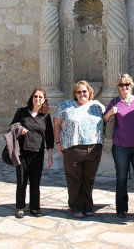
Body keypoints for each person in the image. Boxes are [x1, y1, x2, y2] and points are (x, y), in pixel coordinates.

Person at [53, 80, 105, 219]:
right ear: (75, 94)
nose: (82, 94)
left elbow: (107, 119)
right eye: (79, 92)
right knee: (74, 179)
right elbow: (57, 123)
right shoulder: (66, 106)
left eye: (84, 91)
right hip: (73, 148)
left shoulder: (97, 106)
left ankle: (88, 206)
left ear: (89, 92)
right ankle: (76, 207)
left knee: (89, 179)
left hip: (94, 148)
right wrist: (58, 142)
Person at [103, 73, 134, 219]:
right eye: (121, 85)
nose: (124, 87)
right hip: (120, 147)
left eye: (127, 84)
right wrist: (110, 112)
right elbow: (104, 119)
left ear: (131, 85)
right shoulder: (115, 102)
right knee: (121, 178)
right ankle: (121, 209)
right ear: (118, 87)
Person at [10, 88, 54, 219]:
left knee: (35, 182)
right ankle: (20, 207)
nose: (38, 99)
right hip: (22, 153)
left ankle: (35, 208)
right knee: (21, 181)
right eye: (36, 96)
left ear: (44, 100)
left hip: (37, 154)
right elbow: (12, 127)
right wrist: (20, 129)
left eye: (41, 97)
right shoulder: (22, 112)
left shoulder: (46, 116)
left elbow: (49, 137)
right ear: (32, 98)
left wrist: (50, 156)